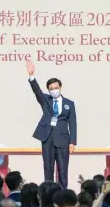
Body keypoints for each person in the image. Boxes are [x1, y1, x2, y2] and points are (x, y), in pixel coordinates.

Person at [26, 60, 77, 189]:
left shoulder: (69, 103)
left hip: (63, 140)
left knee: (63, 170)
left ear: (60, 87)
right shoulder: (45, 100)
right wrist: (32, 76)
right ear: (48, 90)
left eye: (56, 88)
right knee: (48, 170)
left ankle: (63, 194)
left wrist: (73, 141)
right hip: (47, 138)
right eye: (51, 89)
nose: (54, 90)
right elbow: (36, 91)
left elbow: (73, 122)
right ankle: (48, 194)